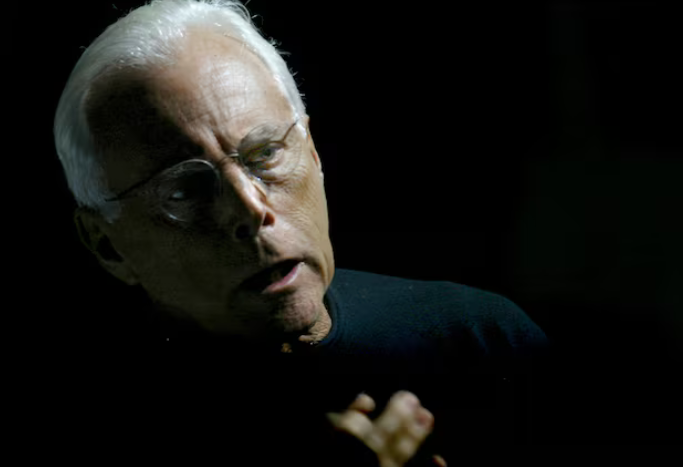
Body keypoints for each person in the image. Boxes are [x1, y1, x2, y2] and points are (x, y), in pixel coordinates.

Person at [53, 0, 554, 465]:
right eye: (184, 190)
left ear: (312, 152)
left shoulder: (481, 342)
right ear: (107, 244)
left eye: (265, 154)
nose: (251, 210)